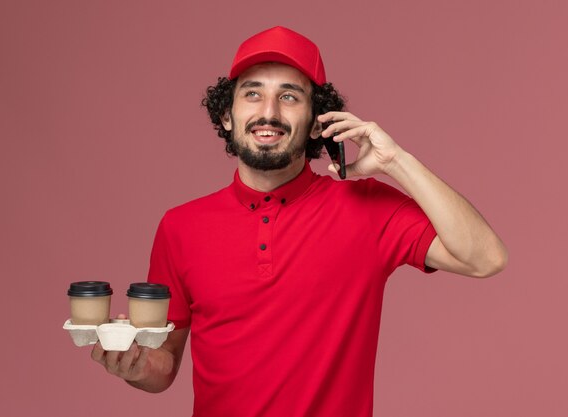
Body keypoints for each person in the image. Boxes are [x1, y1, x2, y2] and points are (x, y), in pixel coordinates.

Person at [91, 26, 508, 417]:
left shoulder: (368, 208)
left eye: (289, 96)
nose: (268, 112)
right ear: (227, 116)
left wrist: (397, 161)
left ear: (316, 123)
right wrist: (135, 364)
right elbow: (164, 366)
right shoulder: (180, 227)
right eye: (252, 94)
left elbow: (484, 258)